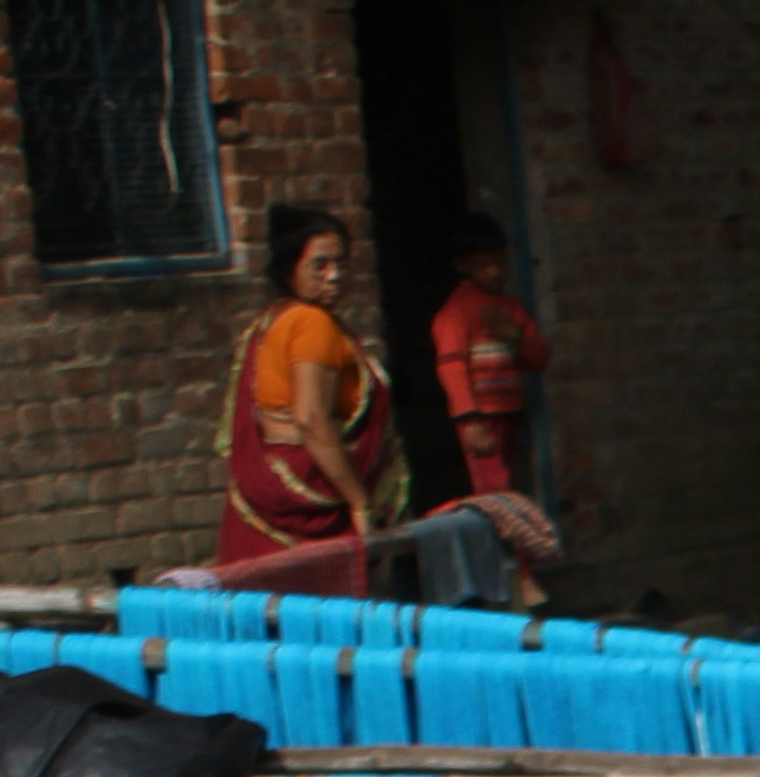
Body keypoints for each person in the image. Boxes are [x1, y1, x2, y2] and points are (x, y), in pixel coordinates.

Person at [218, 202, 399, 567]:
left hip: (267, 497)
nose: (334, 276)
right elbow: (313, 420)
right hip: (309, 495)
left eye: (341, 263)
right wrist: (359, 502)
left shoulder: (274, 320)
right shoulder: (311, 324)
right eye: (320, 265)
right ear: (290, 270)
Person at [428, 215, 553, 502]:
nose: (495, 272)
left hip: (510, 412)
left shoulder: (511, 308)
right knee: (494, 491)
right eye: (485, 265)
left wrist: (517, 338)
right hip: (482, 416)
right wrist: (470, 419)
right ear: (463, 266)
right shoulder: (457, 311)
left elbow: (541, 358)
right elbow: (451, 368)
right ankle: (502, 545)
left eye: (501, 263)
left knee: (508, 485)